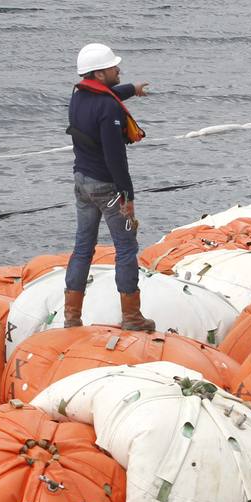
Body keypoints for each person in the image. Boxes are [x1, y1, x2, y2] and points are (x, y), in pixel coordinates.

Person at [63, 42, 155, 331]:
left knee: (82, 247)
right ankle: (132, 317)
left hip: (82, 183)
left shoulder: (79, 96)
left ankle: (72, 318)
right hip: (107, 188)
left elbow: (108, 96)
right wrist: (128, 196)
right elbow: (115, 157)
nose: (119, 69)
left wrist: (132, 89)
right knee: (126, 248)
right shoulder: (108, 108)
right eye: (114, 67)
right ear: (100, 74)